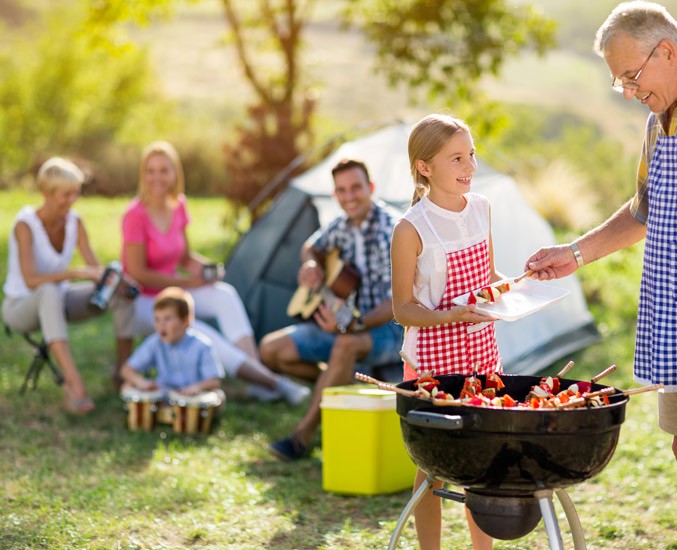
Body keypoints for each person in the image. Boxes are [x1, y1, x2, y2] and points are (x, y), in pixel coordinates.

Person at [524, 3, 677, 549]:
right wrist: (576, 252)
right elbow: (644, 209)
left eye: (632, 77)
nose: (630, 92)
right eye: (620, 84)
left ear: (666, 50)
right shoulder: (659, 117)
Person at [391, 113, 506, 550]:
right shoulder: (411, 228)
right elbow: (403, 309)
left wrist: (514, 288)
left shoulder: (482, 208)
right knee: (433, 466)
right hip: (430, 363)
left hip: (482, 353)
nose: (470, 167)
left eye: (471, 155)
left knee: (483, 458)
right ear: (425, 167)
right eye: (457, 158)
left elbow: (488, 274)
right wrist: (453, 316)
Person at [121, 140, 309, 406]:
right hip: (146, 302)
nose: (157, 177)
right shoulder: (135, 215)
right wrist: (188, 282)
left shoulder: (178, 205)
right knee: (195, 329)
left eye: (164, 170)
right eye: (151, 171)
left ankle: (258, 375)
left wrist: (207, 271)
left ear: (175, 174)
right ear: (143, 175)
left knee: (224, 294)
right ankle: (273, 382)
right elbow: (137, 272)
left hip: (176, 291)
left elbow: (185, 256)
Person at [262, 158, 403, 461]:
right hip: (345, 325)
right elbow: (311, 247)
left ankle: (303, 436)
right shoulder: (340, 226)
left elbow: (396, 304)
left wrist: (354, 324)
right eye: (341, 190)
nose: (349, 196)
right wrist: (312, 263)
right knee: (271, 350)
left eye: (356, 188)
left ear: (371, 188)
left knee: (344, 343)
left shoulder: (392, 231)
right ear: (334, 194)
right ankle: (340, 382)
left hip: (390, 329)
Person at [1, 157, 135, 414]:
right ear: (46, 193)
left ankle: (123, 372)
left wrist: (116, 280)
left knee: (120, 297)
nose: (72, 200)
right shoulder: (25, 225)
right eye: (65, 194)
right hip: (20, 307)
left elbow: (94, 267)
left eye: (76, 193)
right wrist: (73, 273)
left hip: (58, 302)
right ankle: (74, 386)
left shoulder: (75, 221)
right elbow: (31, 280)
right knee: (48, 291)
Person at [119, 287, 225, 407]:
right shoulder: (155, 342)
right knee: (127, 385)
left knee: (218, 396)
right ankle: (146, 418)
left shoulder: (202, 346)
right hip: (164, 394)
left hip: (191, 396)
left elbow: (214, 381)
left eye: (167, 319)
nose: (161, 325)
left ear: (186, 321)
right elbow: (126, 370)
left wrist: (197, 387)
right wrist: (142, 383)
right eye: (157, 320)